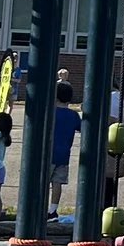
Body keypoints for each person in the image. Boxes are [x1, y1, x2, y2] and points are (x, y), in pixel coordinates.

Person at [48, 82, 84, 216]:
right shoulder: (73, 115)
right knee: (57, 183)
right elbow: (82, 129)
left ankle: (40, 207)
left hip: (48, 153)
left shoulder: (50, 112)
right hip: (64, 155)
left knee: (43, 182)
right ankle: (52, 210)